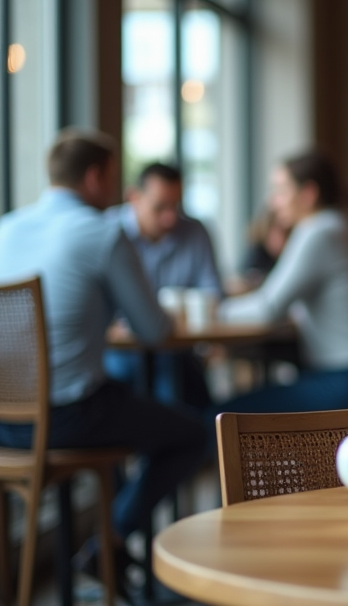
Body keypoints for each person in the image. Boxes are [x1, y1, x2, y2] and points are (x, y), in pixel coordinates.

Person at [0, 130, 207, 570]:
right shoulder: (102, 233)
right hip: (68, 418)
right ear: (94, 177)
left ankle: (105, 557)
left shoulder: (7, 228)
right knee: (195, 434)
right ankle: (107, 543)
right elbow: (152, 330)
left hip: (6, 421)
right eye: (112, 179)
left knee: (119, 400)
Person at [216, 151, 348, 412]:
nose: (273, 201)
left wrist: (215, 310)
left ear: (308, 193)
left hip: (344, 382)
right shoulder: (347, 230)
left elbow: (267, 309)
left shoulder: (316, 232)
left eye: (280, 190)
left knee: (222, 414)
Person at [104, 162, 222, 411]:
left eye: (175, 207)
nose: (170, 218)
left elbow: (213, 294)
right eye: (160, 207)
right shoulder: (107, 232)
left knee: (177, 372)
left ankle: (179, 438)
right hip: (121, 352)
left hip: (177, 349)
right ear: (133, 197)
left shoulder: (195, 231)